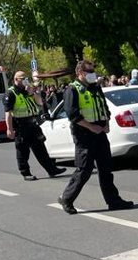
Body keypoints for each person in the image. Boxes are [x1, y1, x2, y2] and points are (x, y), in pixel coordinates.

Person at [57, 60, 133, 214]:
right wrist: (92, 127)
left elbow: (103, 107)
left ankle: (114, 201)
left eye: (93, 71)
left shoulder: (95, 87)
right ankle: (67, 198)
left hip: (99, 132)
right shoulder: (73, 89)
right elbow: (73, 115)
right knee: (84, 170)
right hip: (84, 134)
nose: (93, 74)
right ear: (80, 73)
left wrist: (106, 123)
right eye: (89, 71)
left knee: (106, 169)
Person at [4, 71, 65, 181]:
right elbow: (8, 112)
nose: (24, 80)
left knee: (40, 148)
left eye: (25, 78)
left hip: (33, 123)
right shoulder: (11, 93)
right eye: (22, 78)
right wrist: (9, 129)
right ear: (16, 79)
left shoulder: (28, 90)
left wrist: (32, 93)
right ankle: (25, 172)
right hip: (20, 124)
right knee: (23, 151)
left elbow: (40, 103)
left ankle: (52, 170)